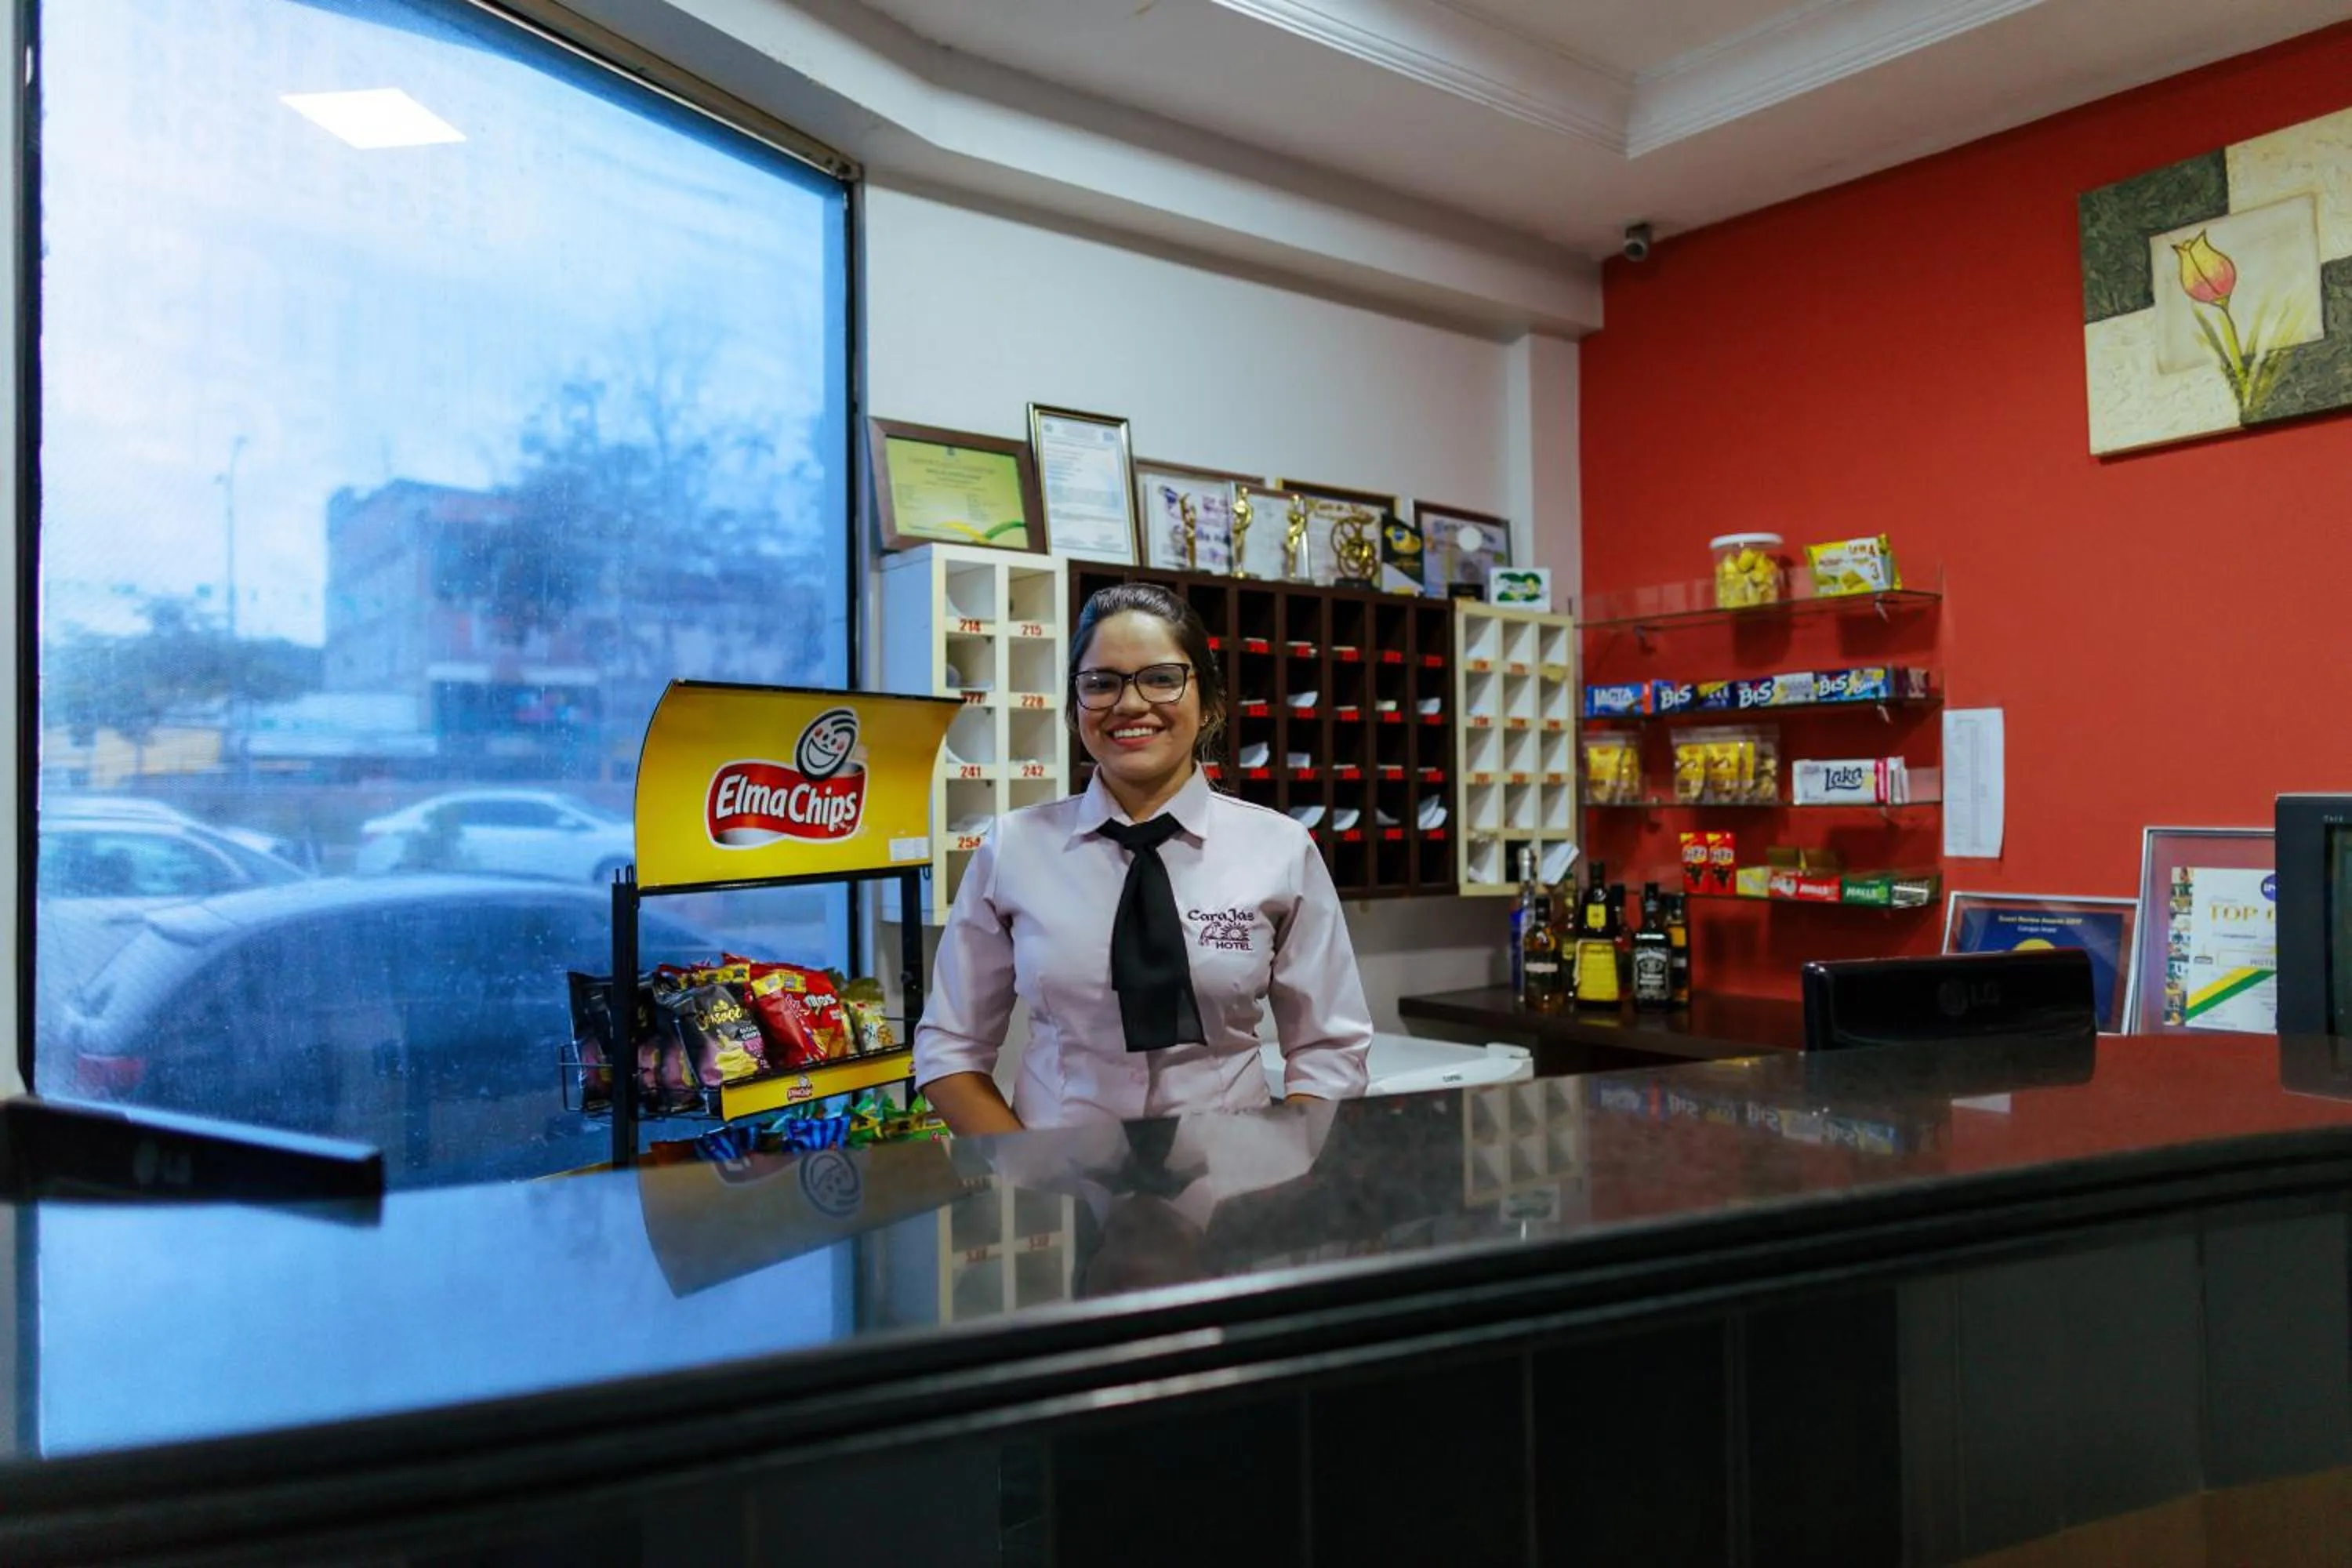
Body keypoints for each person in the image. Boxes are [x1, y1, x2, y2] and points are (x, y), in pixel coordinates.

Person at [915, 582, 1373, 1135]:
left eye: (1161, 679)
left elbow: (1330, 1048)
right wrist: (1031, 1176)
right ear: (1074, 710)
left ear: (1210, 703)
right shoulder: (1014, 848)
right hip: (1064, 1189)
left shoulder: (1280, 850)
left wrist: (1279, 1175)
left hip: (1231, 1188)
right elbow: (950, 1047)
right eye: (1101, 684)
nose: (1130, 704)